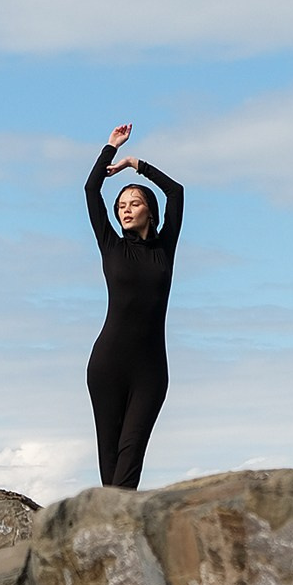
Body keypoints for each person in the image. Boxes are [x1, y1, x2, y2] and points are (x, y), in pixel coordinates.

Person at [84, 123, 184, 489]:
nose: (126, 211)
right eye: (121, 205)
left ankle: (116, 531)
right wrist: (109, 148)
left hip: (151, 370)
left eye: (134, 204)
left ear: (149, 211)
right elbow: (91, 189)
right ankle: (107, 535)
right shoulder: (111, 245)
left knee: (131, 452)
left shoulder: (164, 249)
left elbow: (176, 191)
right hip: (108, 364)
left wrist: (133, 164)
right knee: (109, 456)